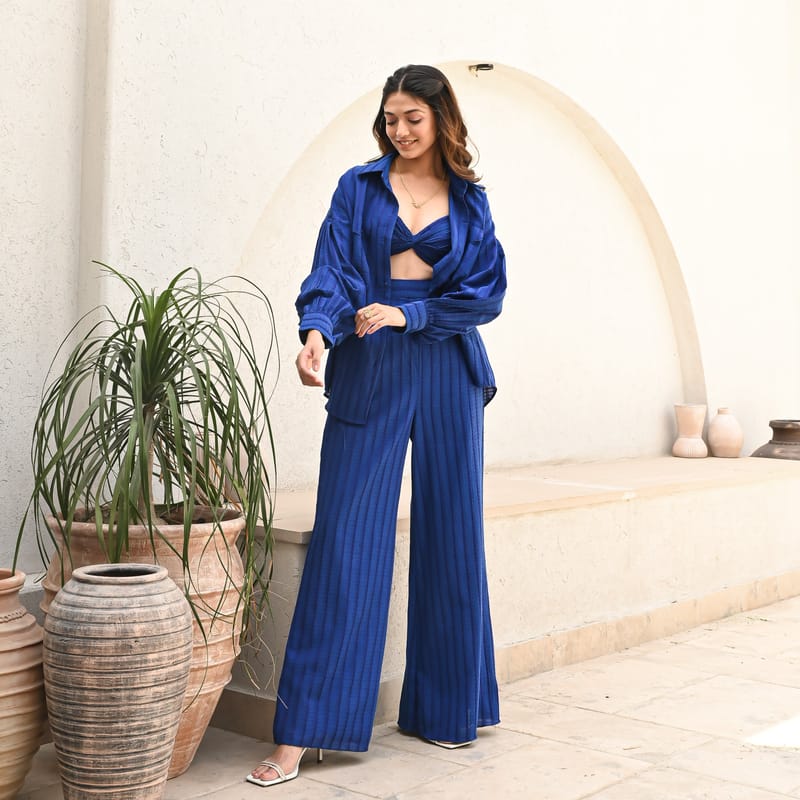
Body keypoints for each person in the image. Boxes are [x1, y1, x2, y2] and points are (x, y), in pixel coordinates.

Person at [247, 63, 507, 788]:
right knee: (346, 539)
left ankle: (449, 708)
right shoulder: (358, 187)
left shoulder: (470, 200)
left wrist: (410, 313)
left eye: (412, 118)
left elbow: (487, 293)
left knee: (453, 533)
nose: (399, 130)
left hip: (449, 365)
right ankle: (303, 733)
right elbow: (330, 272)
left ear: (441, 119)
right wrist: (316, 333)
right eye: (390, 118)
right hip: (369, 363)